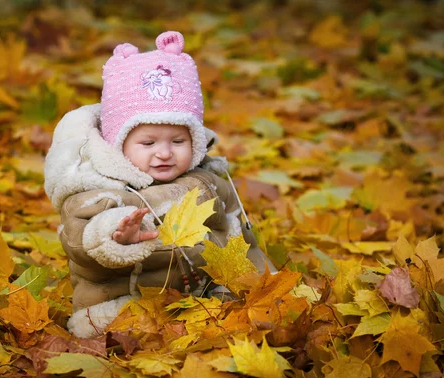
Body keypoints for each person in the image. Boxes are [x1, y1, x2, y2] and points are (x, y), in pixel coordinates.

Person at [44, 31, 273, 338]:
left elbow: (241, 239)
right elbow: (79, 240)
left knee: (238, 325)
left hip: (200, 298)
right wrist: (113, 235)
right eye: (148, 142)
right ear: (119, 143)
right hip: (122, 303)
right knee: (120, 333)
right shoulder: (95, 187)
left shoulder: (209, 180)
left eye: (178, 141)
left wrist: (263, 282)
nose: (164, 153)